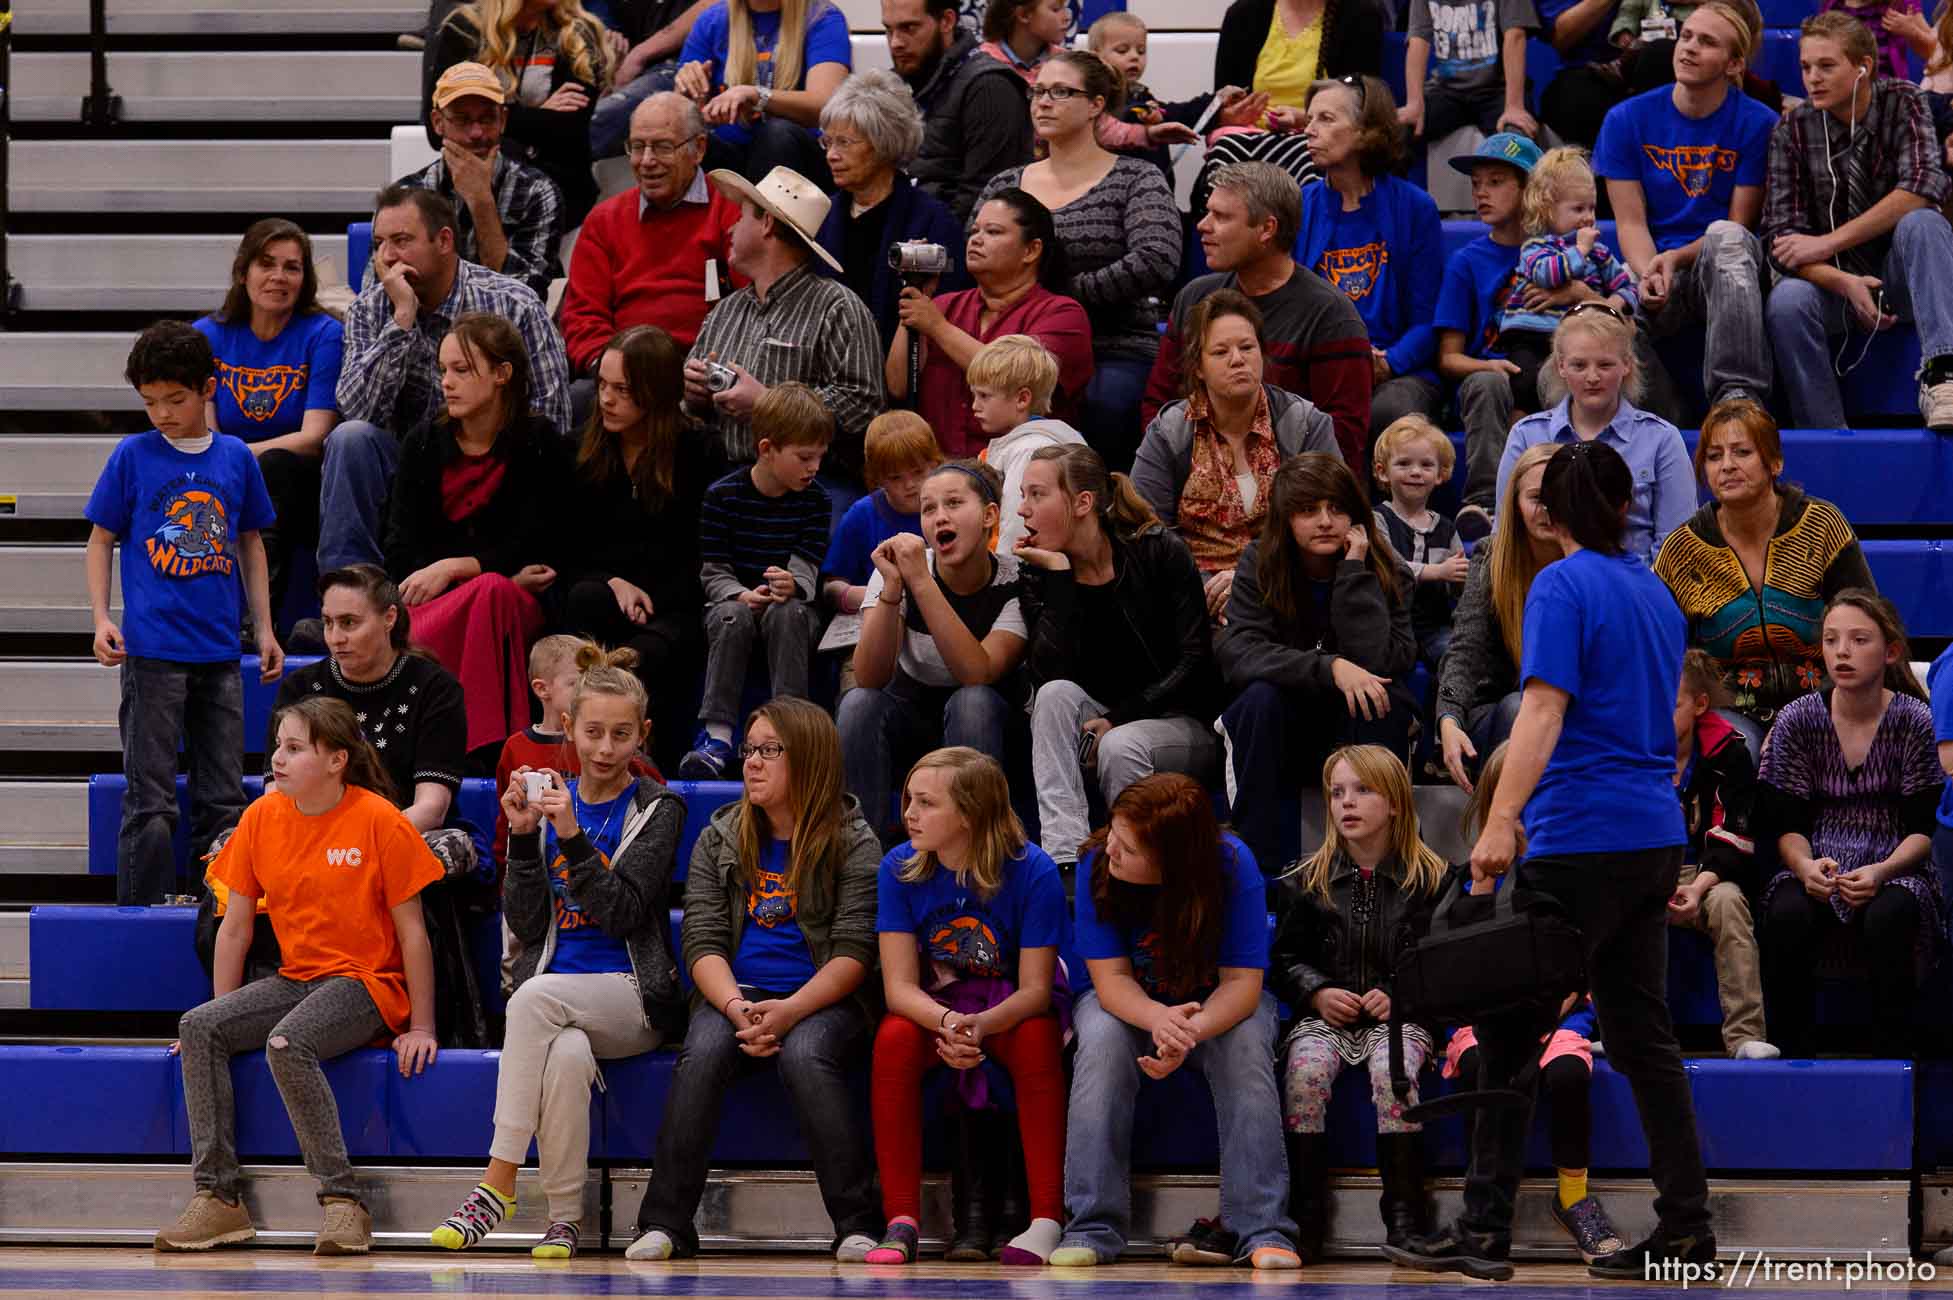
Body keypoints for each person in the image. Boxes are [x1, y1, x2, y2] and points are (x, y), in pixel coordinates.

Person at [1386, 440, 1716, 1282]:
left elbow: (1540, 712)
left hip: (1578, 836)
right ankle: (1685, 1225)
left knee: (1504, 1037)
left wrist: (1499, 821)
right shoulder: (1652, 589)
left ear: (1550, 510)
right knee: (1645, 1039)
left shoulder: (1561, 585)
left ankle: (1482, 1232)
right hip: (1651, 836)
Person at [156, 697, 441, 1255]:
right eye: (277, 747)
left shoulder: (379, 818)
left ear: (336, 760)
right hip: (297, 978)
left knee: (288, 1044)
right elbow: (234, 930)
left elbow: (414, 934)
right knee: (198, 1026)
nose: (277, 760)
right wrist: (223, 1018)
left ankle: (343, 1199)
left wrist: (423, 1026)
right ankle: (219, 1198)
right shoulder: (261, 817)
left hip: (367, 982)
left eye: (293, 748)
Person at [430, 646, 684, 1260]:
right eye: (592, 732)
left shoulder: (658, 808)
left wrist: (569, 835)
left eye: (621, 735)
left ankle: (496, 1183)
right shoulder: (548, 801)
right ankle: (566, 1221)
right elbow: (524, 921)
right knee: (566, 1054)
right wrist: (522, 838)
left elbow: (621, 910)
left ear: (642, 736)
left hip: (632, 996)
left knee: (534, 997)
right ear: (567, 727)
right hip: (559, 1003)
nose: (604, 748)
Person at [626, 698, 884, 1262]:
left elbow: (854, 953)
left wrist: (791, 1011)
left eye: (770, 750)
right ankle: (666, 1224)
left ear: (811, 760)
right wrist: (738, 1005)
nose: (752, 763)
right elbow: (702, 942)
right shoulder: (719, 836)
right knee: (704, 1049)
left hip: (824, 998)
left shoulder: (855, 840)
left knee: (806, 1055)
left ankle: (859, 1224)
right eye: (749, 750)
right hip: (734, 994)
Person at [1053, 773, 1301, 1270]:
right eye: (1113, 835)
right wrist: (1161, 1020)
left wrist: (1187, 1031)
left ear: (1171, 862)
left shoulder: (1233, 865)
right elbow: (1111, 980)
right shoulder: (1095, 863)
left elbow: (1242, 985)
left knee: (1248, 1044)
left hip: (1218, 1006)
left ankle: (1261, 1229)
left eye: (1128, 848)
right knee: (1099, 1038)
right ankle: (1091, 1225)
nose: (1112, 851)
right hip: (1130, 1003)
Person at [87, 322, 281, 906]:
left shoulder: (235, 457)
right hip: (151, 652)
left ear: (208, 389)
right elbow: (101, 539)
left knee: (223, 794)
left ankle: (219, 911)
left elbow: (250, 542)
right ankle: (140, 911)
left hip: (220, 651)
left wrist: (265, 628)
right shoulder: (133, 455)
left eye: (175, 399)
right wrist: (101, 617)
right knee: (150, 796)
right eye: (150, 402)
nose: (162, 414)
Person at [867, 747, 1068, 1264]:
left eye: (926, 803)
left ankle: (1046, 1218)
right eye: (909, 799)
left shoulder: (1033, 870)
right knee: (892, 1038)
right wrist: (951, 1023)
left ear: (970, 814)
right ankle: (901, 1219)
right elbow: (898, 989)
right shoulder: (899, 867)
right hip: (939, 1005)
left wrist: (979, 1026)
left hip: (1008, 1003)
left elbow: (1035, 991)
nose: (908, 813)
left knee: (1037, 1035)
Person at [1441, 742, 1629, 1265]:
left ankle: (1573, 1196)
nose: (1523, 821)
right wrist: (1480, 886)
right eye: (1512, 808)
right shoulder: (1473, 876)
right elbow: (1457, 961)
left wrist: (1563, 1000)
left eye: (1534, 805)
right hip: (1487, 1018)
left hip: (1561, 1018)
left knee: (1567, 1072)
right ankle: (1481, 1208)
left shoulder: (1574, 881)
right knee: (1486, 1063)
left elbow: (1592, 960)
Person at [325, 186, 568, 572]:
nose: (387, 257)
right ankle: (350, 595)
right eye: (379, 244)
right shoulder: (370, 309)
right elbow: (358, 411)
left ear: (443, 241)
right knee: (350, 439)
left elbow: (550, 420)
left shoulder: (513, 303)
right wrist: (402, 318)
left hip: (494, 466)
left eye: (401, 241)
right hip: (405, 466)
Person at [1272, 745, 1446, 1257]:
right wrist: (1317, 991)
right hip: (1325, 1019)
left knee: (1393, 1074)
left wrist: (1401, 994)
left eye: (1363, 791)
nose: (1346, 803)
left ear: (1395, 802)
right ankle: (1307, 1215)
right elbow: (1283, 959)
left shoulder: (1433, 881)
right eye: (1337, 793)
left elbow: (1441, 960)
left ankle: (1405, 1216)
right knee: (1304, 1075)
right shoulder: (1306, 881)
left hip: (1401, 1019)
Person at [1756, 591, 1944, 1059]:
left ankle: (1893, 1063)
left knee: (1891, 914)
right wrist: (1804, 868)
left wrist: (1881, 872)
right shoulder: (1798, 719)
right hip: (1817, 859)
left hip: (1897, 863)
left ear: (1891, 651)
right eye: (1832, 640)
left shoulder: (1915, 720)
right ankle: (1790, 1055)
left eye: (1859, 640)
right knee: (1786, 911)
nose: (1842, 652)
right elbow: (1787, 823)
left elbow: (1924, 828)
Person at [1015, 446, 1220, 870]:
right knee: (1053, 697)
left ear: (1082, 502)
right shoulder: (1040, 571)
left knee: (1121, 746)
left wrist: (1120, 717)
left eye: (1037, 495)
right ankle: (1065, 858)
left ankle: (1138, 862)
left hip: (1179, 720)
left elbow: (1195, 660)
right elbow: (1046, 673)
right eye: (1023, 495)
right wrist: (1058, 579)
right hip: (1102, 718)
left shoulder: (1158, 551)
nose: (1022, 510)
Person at [974, 50, 1181, 469]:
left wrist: (1063, 300)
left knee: (1103, 406)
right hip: (1015, 344)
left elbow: (1157, 257)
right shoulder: (1006, 183)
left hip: (1112, 344)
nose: (1043, 102)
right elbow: (976, 255)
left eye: (1061, 92)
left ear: (1096, 105)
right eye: (1037, 92)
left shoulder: (1135, 177)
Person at [1215, 454, 1417, 875]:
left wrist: (1353, 571)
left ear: (1357, 517)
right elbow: (1240, 652)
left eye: (1337, 509)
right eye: (1308, 511)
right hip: (1285, 717)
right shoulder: (1261, 562)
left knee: (1383, 696)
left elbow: (1386, 659)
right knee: (1258, 699)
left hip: (1353, 720)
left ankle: (1374, 872)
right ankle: (1267, 874)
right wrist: (1330, 668)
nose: (1325, 521)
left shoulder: (1384, 566)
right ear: (1286, 520)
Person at [381, 313, 569, 756]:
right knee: (488, 589)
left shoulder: (539, 442)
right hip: (435, 604)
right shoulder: (423, 442)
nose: (447, 382)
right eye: (443, 370)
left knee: (491, 592)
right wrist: (484, 574)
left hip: (511, 603)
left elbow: (541, 542)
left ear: (503, 374)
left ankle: (482, 749)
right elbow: (398, 548)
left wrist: (459, 567)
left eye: (462, 370)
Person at [1764, 11, 1953, 431]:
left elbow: (1923, 186)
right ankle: (1826, 431)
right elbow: (1780, 239)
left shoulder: (1904, 100)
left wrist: (1828, 242)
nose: (1812, 78)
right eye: (1806, 67)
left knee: (1924, 223)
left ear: (1863, 67)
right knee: (1786, 302)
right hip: (1834, 289)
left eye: (1826, 66)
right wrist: (1842, 280)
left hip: (1901, 278)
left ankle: (1944, 375)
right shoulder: (1791, 129)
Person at [1653, 399, 1875, 739]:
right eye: (1714, 456)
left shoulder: (1821, 525)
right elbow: (1662, 655)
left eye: (1742, 452)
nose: (1726, 465)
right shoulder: (1682, 550)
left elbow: (1867, 624)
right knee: (1740, 750)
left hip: (1827, 699)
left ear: (1774, 462)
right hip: (1725, 710)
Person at [1595, 5, 1777, 412]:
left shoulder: (1758, 123)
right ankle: (1665, 420)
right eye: (1687, 36)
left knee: (1727, 240)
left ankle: (1736, 401)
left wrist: (1675, 257)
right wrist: (1649, 274)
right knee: (1603, 320)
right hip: (1656, 264)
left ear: (1734, 64)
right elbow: (1630, 222)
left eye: (1707, 42)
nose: (1689, 48)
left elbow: (1738, 224)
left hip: (1723, 265)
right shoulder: (1626, 119)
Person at [841, 461, 1029, 847]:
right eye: (928, 509)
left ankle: (974, 850)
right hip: (912, 722)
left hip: (990, 731)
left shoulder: (1018, 581)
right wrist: (894, 587)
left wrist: (922, 584)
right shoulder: (901, 572)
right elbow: (869, 677)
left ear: (990, 515)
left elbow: (976, 671)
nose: (940, 516)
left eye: (955, 503)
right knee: (859, 703)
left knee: (971, 700)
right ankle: (861, 855)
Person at [1144, 161, 1372, 469]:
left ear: (1267, 229)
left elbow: (1342, 440)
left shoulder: (1331, 315)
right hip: (1196, 476)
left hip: (1294, 491)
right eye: (1208, 211)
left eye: (1221, 216)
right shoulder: (1194, 298)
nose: (1203, 225)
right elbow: (1158, 404)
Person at [1133, 290, 1341, 625]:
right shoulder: (1169, 431)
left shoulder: (1305, 425)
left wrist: (1251, 581)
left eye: (1247, 347)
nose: (1237, 359)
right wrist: (1198, 589)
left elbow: (1332, 522)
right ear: (1198, 367)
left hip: (1287, 591)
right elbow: (1145, 532)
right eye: (1220, 351)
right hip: (1193, 597)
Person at [562, 325, 714, 770]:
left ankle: (648, 768)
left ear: (656, 391)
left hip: (673, 607)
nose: (606, 399)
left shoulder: (698, 452)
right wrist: (613, 583)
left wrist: (649, 600)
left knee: (653, 653)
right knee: (584, 600)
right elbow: (564, 548)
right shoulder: (580, 450)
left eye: (622, 389)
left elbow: (701, 558)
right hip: (601, 596)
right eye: (603, 385)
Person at [193, 220, 344, 635]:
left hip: (301, 485)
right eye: (267, 264)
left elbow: (314, 436)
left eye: (292, 267)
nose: (279, 277)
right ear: (244, 272)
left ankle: (256, 623)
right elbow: (202, 435)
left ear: (304, 279)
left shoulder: (324, 333)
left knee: (275, 465)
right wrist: (230, 459)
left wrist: (238, 455)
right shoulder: (208, 336)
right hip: (225, 475)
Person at [685, 165, 884, 478]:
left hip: (811, 485)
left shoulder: (838, 307)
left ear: (766, 223)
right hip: (721, 476)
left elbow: (864, 406)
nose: (730, 229)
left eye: (741, 217)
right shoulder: (725, 311)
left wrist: (769, 404)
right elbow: (691, 409)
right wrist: (694, 394)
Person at [680, 383, 833, 779]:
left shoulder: (817, 500)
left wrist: (791, 583)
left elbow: (808, 568)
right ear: (767, 449)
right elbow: (713, 572)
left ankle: (789, 733)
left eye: (819, 457)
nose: (814, 467)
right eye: (804, 457)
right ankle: (717, 737)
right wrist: (741, 594)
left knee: (791, 614)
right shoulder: (722, 496)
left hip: (787, 605)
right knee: (731, 616)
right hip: (734, 601)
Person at [560, 93, 744, 405]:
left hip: (700, 377)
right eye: (637, 147)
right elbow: (583, 319)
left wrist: (701, 373)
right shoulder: (605, 220)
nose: (646, 161)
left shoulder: (732, 212)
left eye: (662, 147)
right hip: (621, 375)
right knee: (570, 407)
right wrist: (623, 373)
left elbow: (751, 312)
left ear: (698, 149)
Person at [887, 188, 1093, 458]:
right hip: (938, 473)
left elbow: (1013, 375)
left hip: (1019, 471)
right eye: (974, 232)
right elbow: (897, 384)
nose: (976, 240)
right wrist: (917, 293)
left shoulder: (1063, 314)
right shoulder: (943, 306)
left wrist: (938, 328)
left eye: (993, 232)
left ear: (1031, 250)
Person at [1298, 74, 1448, 437]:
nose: (1309, 131)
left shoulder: (1414, 207)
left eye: (1326, 119)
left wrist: (1388, 362)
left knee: (1389, 411)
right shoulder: (1301, 205)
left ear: (1367, 130)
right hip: (1320, 367)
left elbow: (1428, 320)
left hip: (1398, 372)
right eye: (1309, 119)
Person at [1496, 305, 1694, 564]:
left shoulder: (1662, 439)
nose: (1592, 377)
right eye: (1579, 365)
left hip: (1633, 592)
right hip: (1547, 589)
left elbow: (1677, 548)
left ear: (1626, 365)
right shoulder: (1526, 435)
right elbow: (1505, 536)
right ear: (1561, 367)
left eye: (1605, 364)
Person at [1669, 648, 1778, 1060]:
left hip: (1707, 876)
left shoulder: (1729, 753)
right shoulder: (1631, 751)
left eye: (1672, 703)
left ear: (1699, 705)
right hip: (1644, 873)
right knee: (1613, 903)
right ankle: (1621, 1029)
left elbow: (1737, 833)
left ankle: (1745, 1037)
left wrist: (1697, 888)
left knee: (1730, 903)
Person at [813, 70, 969, 354]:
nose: (831, 155)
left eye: (844, 142)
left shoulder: (933, 222)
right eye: (827, 142)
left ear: (884, 144)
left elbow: (947, 312)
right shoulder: (820, 215)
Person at [1435, 442, 1559, 790]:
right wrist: (1448, 718)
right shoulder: (1492, 557)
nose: (1547, 508)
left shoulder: (1592, 563)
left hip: (1568, 706)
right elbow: (1465, 649)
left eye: (1557, 496)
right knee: (1519, 707)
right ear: (1516, 504)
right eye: (1536, 498)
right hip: (1497, 710)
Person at [1435, 132, 1542, 527]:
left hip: (1544, 371)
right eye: (1476, 183)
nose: (1481, 193)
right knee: (1489, 384)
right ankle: (1483, 502)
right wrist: (1487, 368)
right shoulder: (1466, 262)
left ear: (1530, 189)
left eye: (1495, 182)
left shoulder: (1560, 254)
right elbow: (1448, 358)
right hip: (1489, 381)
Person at [425, 0, 612, 222]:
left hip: (562, 191)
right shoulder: (465, 29)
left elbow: (569, 129)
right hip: (479, 182)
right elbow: (437, 129)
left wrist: (497, 116)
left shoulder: (578, 32)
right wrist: (540, 113)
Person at [401, 61, 567, 298]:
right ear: (438, 122)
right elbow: (380, 295)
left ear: (503, 120)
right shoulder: (409, 196)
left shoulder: (538, 193)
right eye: (462, 120)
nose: (476, 133)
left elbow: (521, 300)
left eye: (487, 119)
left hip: (509, 333)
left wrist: (481, 202)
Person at [1498, 148, 1639, 413]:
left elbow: (1627, 287)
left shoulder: (1599, 253)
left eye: (1591, 208)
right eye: (1577, 209)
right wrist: (1579, 252)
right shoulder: (1535, 247)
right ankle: (1522, 441)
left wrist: (1618, 300)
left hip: (1580, 340)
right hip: (1531, 334)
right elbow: (1548, 275)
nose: (1588, 216)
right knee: (1526, 382)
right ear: (1548, 210)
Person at [881, 0, 1035, 223]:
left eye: (909, 28)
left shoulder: (990, 87)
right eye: (888, 29)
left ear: (947, 21)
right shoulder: (894, 85)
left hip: (946, 245)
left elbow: (983, 200)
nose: (895, 43)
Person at [674, 0, 851, 185]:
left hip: (795, 163)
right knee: (688, 142)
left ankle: (766, 214)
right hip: (730, 155)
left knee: (777, 134)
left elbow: (824, 105)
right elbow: (678, 112)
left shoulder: (822, 18)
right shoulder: (713, 20)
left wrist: (758, 96)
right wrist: (690, 95)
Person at [1087, 12, 1262, 178]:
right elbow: (1110, 128)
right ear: (1096, 57)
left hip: (1156, 192)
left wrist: (1216, 101)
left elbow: (1177, 114)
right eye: (1122, 50)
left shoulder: (1141, 95)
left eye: (1141, 51)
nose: (1134, 57)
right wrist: (1141, 115)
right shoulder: (1093, 101)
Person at [964, 336, 1086, 550]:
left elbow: (1016, 525)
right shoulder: (1020, 444)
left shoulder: (1029, 451)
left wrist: (1005, 577)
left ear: (1022, 399)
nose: (975, 405)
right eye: (974, 395)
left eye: (984, 396)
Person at [824, 411, 942, 623]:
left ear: (934, 463)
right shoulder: (862, 515)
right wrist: (870, 596)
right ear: (877, 477)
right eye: (896, 477)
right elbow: (831, 587)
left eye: (918, 472)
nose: (910, 485)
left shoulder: (950, 508)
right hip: (876, 619)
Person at [1372, 414, 1465, 673]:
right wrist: (1437, 571)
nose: (1415, 472)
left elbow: (1458, 584)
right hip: (1389, 625)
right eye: (1403, 463)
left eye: (1426, 465)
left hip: (1434, 626)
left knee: (1454, 659)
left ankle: (1444, 712)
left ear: (1440, 474)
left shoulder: (1446, 528)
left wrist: (1460, 579)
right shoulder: (1377, 519)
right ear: (1383, 472)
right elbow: (1387, 565)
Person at [1400, 0, 1540, 150]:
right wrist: (1414, 104)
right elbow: (1418, 40)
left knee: (1516, 139)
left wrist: (1514, 106)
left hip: (1499, 90)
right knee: (1395, 134)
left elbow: (1515, 36)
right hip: (1445, 90)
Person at [588, 0, 711, 157]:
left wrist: (639, 55)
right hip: (619, 63)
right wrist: (608, 37)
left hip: (677, 65)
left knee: (592, 124)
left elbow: (716, 4)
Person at [978, 0, 1068, 81]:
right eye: (1055, 9)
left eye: (1065, 8)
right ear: (1024, 15)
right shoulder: (985, 70)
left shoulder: (1067, 63)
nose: (1067, 17)